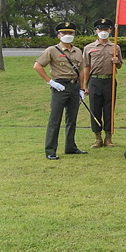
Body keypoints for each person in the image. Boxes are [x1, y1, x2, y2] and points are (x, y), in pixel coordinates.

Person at [33, 22, 87, 160]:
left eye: (70, 33)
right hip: (60, 86)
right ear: (59, 35)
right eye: (64, 33)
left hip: (74, 86)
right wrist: (50, 82)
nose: (68, 36)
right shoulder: (52, 50)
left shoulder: (78, 51)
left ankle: (70, 147)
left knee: (72, 119)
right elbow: (37, 66)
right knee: (55, 119)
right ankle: (50, 150)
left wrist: (82, 88)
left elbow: (81, 70)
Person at [81, 18, 122, 148]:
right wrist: (85, 85)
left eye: (106, 29)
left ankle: (108, 138)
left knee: (109, 110)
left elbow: (120, 65)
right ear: (96, 31)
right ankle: (97, 138)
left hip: (110, 81)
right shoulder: (89, 48)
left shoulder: (115, 47)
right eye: (100, 29)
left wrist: (117, 62)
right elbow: (86, 67)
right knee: (95, 109)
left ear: (110, 30)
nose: (103, 32)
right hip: (95, 80)